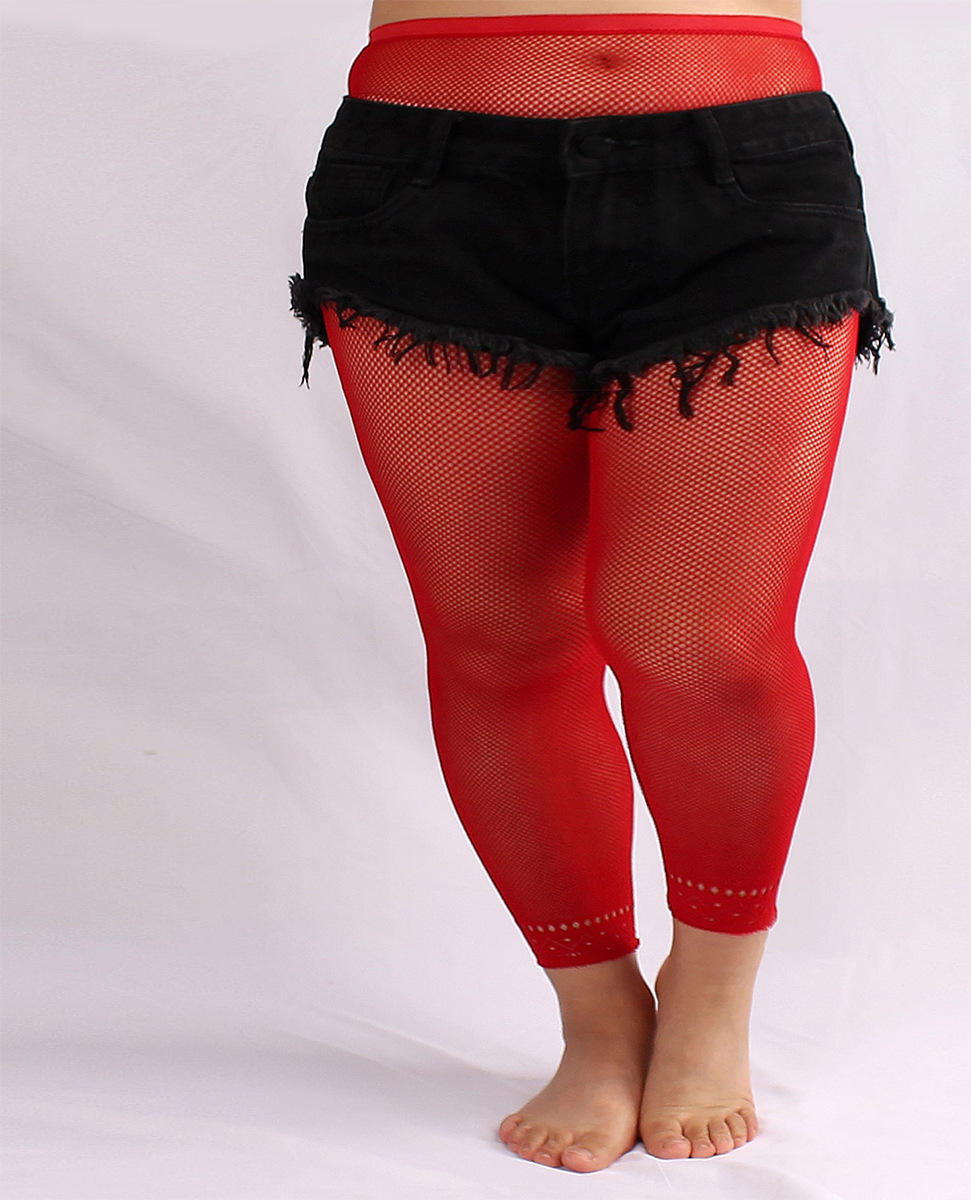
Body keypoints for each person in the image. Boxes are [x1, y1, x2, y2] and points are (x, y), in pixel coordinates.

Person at [288, 0, 894, 1174]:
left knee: (701, 644)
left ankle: (711, 989)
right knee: (501, 642)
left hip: (739, 161)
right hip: (425, 173)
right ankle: (599, 1009)